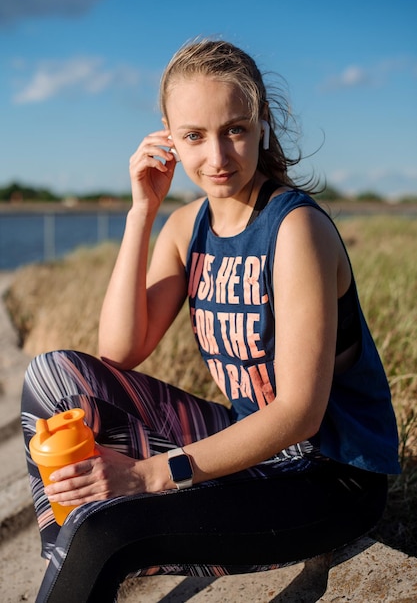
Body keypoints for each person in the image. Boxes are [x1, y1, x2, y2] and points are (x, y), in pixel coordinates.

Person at [21, 38, 400, 593]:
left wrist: (149, 476)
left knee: (105, 528)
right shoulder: (187, 226)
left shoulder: (295, 230)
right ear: (167, 136)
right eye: (194, 136)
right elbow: (120, 352)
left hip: (328, 477)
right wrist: (142, 211)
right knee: (51, 377)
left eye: (235, 130)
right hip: (252, 445)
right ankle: (72, 563)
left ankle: (85, 554)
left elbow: (299, 413)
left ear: (261, 125)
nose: (217, 158)